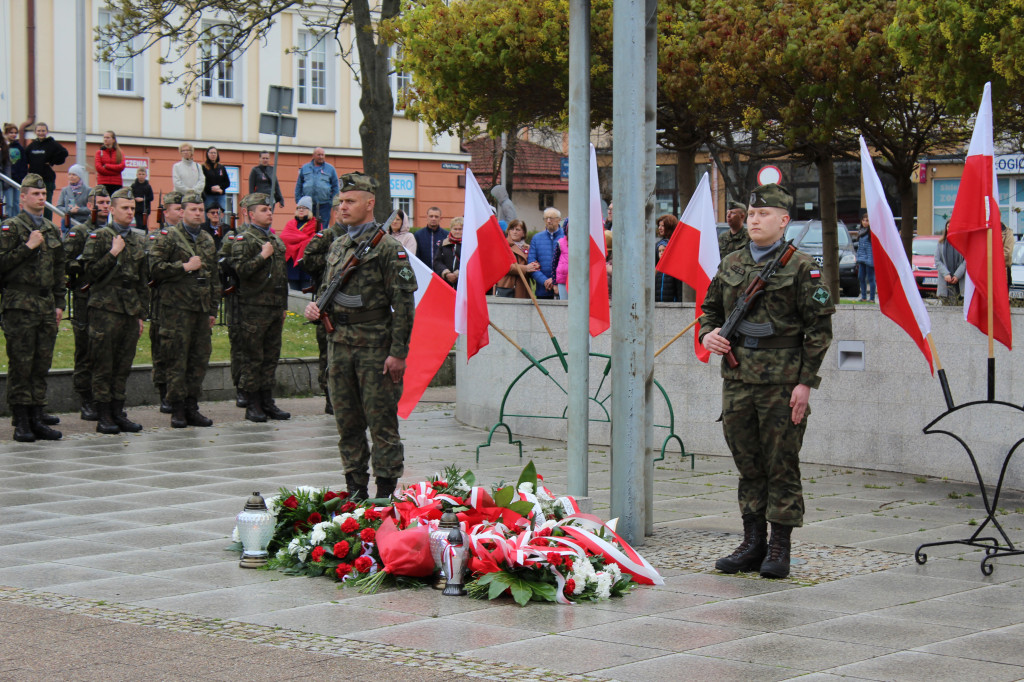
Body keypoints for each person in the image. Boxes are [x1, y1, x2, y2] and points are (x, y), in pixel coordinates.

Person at [699, 183, 834, 580]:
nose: (755, 220)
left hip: (781, 382)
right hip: (738, 379)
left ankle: (780, 547)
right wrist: (709, 334)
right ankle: (752, 542)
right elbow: (708, 309)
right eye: (752, 215)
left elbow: (819, 330)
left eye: (764, 215)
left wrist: (805, 383)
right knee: (748, 464)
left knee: (781, 466)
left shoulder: (801, 266)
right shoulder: (732, 263)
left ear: (784, 220)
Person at [303, 172, 417, 500]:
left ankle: (384, 492)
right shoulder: (338, 245)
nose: (343, 208)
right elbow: (327, 289)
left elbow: (404, 305)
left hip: (375, 349)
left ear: (370, 204)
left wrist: (398, 353)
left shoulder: (389, 250)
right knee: (347, 423)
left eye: (350, 201)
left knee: (381, 424)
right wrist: (315, 309)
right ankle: (355, 489)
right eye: (340, 202)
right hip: (339, 345)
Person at [0, 173, 66, 441]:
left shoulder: (51, 229)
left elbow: (59, 269)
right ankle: (21, 420)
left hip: (45, 304)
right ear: (23, 198)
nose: (41, 198)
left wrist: (60, 302)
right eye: (35, 194)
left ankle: (37, 415)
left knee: (41, 363)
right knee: (22, 363)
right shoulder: (11, 228)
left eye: (43, 194)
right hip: (20, 304)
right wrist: (28, 247)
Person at [80, 187, 149, 434]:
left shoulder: (138, 239)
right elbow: (90, 273)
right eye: (125, 208)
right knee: (103, 364)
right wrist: (113, 252)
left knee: (123, 364)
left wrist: (141, 314)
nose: (130, 212)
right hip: (104, 309)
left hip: (129, 310)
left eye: (132, 208)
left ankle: (119, 411)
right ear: (111, 209)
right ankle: (104, 414)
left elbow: (143, 281)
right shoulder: (99, 237)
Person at [149, 191, 219, 428]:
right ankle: (177, 408)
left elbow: (214, 278)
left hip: (200, 309)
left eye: (201, 210)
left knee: (199, 359)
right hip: (176, 309)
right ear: (182, 212)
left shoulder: (207, 239)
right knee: (177, 359)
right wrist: (185, 267)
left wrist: (212, 310)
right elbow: (155, 269)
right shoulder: (168, 237)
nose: (198, 213)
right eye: (193, 209)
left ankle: (192, 406)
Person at [231, 193, 291, 422]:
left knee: (271, 357)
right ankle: (252, 402)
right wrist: (261, 256)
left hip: (274, 307)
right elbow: (241, 271)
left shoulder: (276, 241)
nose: (269, 213)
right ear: (250, 213)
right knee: (253, 357)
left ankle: (267, 401)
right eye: (264, 210)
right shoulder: (244, 239)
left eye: (270, 209)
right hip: (253, 308)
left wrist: (284, 306)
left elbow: (281, 277)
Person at [64, 187, 110, 421]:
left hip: (109, 300)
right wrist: (84, 266)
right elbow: (67, 262)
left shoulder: (113, 231)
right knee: (86, 350)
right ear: (90, 205)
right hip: (86, 298)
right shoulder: (79, 232)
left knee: (107, 351)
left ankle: (105, 397)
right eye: (100, 202)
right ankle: (86, 398)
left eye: (107, 202)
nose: (104, 206)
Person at [300, 195, 345, 414]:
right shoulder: (327, 235)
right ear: (335, 212)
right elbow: (307, 261)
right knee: (327, 354)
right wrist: (331, 260)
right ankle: (329, 396)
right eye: (341, 208)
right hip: (327, 299)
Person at [147, 191, 184, 414]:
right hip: (162, 302)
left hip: (183, 303)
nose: (181, 212)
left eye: (183, 208)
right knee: (162, 351)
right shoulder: (156, 236)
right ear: (166, 212)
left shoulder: (189, 237)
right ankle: (164, 394)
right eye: (177, 209)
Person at [25, 122, 69, 219]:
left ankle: (47, 223)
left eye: (43, 131)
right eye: (39, 131)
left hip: (47, 179)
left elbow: (64, 153)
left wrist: (52, 162)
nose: (41, 133)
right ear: (35, 132)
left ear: (47, 132)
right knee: (33, 203)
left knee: (47, 204)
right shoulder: (32, 145)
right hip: (33, 181)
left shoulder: (52, 144)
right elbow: (25, 158)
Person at [281, 197, 320, 291]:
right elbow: (284, 237)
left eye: (304, 207)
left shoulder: (315, 224)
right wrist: (303, 240)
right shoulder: (290, 224)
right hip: (292, 266)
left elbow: (315, 241)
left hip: (306, 265)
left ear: (309, 210)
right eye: (299, 208)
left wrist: (303, 241)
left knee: (306, 295)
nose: (301, 210)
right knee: (294, 296)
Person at [294, 147, 338, 227]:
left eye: (323, 155)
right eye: (319, 155)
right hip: (307, 205)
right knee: (307, 226)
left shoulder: (330, 169)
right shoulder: (305, 168)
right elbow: (299, 185)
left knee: (322, 227)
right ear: (313, 156)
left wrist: (332, 202)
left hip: (324, 204)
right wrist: (299, 200)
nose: (321, 157)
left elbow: (336, 187)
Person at [493, 219, 537, 298]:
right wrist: (525, 268)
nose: (514, 232)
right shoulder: (502, 245)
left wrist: (535, 266)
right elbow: (504, 266)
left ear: (523, 233)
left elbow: (534, 263)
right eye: (512, 229)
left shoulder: (528, 248)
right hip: (507, 286)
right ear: (508, 231)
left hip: (523, 286)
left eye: (518, 229)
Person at [527, 207, 564, 299]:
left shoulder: (567, 237)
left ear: (559, 220)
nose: (548, 221)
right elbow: (532, 264)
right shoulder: (536, 238)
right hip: (543, 289)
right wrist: (544, 281)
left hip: (562, 288)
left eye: (551, 218)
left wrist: (555, 280)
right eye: (546, 218)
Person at [935, 227, 966, 306]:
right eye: (948, 226)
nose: (950, 228)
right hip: (946, 281)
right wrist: (946, 274)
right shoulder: (941, 243)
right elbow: (937, 260)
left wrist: (957, 275)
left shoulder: (963, 243)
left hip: (960, 281)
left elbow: (966, 261)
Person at [3, 123, 28, 218]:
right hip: (7, 180)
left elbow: (23, 164)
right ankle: (9, 221)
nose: (13, 135)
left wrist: (21, 177)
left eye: (15, 133)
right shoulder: (4, 147)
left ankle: (16, 222)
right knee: (9, 203)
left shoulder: (19, 148)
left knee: (17, 202)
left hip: (18, 180)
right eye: (11, 132)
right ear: (6, 134)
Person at [655, 214, 682, 302]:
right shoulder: (658, 245)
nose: (660, 228)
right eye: (659, 225)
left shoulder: (677, 245)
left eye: (663, 226)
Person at [56, 164, 91, 230]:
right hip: (67, 223)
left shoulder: (88, 190)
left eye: (74, 175)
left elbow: (91, 208)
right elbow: (59, 207)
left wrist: (78, 210)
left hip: (83, 223)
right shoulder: (65, 190)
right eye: (69, 174)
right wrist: (70, 210)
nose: (71, 177)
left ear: (80, 176)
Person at [433, 216, 462, 289]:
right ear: (451, 229)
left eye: (460, 229)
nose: (457, 231)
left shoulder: (469, 245)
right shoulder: (444, 243)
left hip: (462, 283)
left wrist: (457, 274)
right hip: (445, 283)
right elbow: (437, 261)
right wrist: (446, 273)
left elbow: (470, 263)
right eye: (455, 229)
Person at [95, 130, 126, 195]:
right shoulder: (99, 153)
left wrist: (107, 166)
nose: (105, 139)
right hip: (102, 183)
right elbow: (99, 168)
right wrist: (115, 172)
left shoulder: (120, 153)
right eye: (104, 137)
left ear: (113, 140)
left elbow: (122, 166)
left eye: (108, 137)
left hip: (116, 183)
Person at [202, 146, 230, 211]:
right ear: (207, 154)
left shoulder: (221, 167)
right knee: (208, 214)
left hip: (221, 196)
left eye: (215, 153)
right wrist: (211, 189)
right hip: (208, 196)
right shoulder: (203, 167)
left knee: (221, 215)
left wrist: (219, 187)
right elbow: (202, 182)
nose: (213, 155)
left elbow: (227, 183)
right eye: (211, 153)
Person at [856, 211, 875, 302]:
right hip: (861, 258)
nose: (865, 222)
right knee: (861, 277)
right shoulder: (860, 231)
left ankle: (871, 298)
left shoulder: (871, 233)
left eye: (867, 220)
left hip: (869, 258)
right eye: (863, 220)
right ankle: (863, 297)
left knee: (870, 278)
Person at [130, 167, 154, 231]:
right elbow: (130, 196)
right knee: (139, 224)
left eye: (143, 174)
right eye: (140, 174)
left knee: (144, 225)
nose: (141, 176)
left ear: (146, 175)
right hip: (136, 208)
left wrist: (143, 199)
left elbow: (151, 197)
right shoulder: (133, 186)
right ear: (137, 175)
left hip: (145, 209)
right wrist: (135, 199)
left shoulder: (148, 186)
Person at [552, 219, 570, 299]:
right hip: (563, 280)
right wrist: (554, 282)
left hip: (579, 281)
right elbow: (554, 263)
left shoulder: (584, 243)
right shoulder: (561, 242)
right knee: (564, 304)